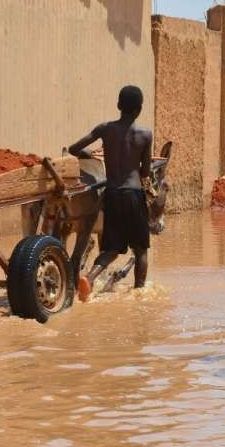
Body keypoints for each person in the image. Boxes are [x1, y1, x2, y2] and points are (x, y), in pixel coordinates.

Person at [68, 85, 153, 300]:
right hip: (134, 194)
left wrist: (88, 153)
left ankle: (89, 277)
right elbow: (145, 171)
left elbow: (73, 149)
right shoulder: (145, 134)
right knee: (140, 249)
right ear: (139, 110)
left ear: (118, 106)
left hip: (112, 195)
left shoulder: (105, 129)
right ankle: (139, 293)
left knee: (112, 249)